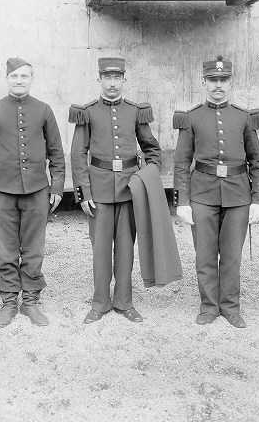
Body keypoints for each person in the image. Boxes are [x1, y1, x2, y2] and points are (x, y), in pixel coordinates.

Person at [173, 56, 259, 328]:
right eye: (213, 80)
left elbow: (256, 161)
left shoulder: (244, 117)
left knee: (232, 256)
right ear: (204, 82)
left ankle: (230, 307)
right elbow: (181, 162)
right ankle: (209, 306)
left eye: (223, 80)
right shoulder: (191, 117)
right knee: (204, 255)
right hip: (202, 194)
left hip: (238, 195)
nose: (218, 85)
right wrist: (182, 201)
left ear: (230, 82)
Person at [69, 57, 162, 324]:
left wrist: (147, 179)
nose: (112, 83)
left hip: (129, 191)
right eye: (107, 78)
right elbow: (78, 154)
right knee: (100, 250)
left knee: (125, 249)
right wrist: (84, 193)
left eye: (117, 78)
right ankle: (100, 302)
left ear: (124, 79)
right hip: (98, 192)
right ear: (99, 79)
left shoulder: (135, 111)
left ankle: (124, 302)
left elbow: (152, 149)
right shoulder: (87, 112)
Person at [0, 57, 65, 327]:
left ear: (31, 79)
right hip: (1, 192)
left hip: (37, 191)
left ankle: (31, 301)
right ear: (7, 79)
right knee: (6, 250)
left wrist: (57, 186)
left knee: (34, 249)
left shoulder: (44, 110)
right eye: (14, 76)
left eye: (24, 76)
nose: (19, 81)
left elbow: (56, 152)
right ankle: (9, 301)